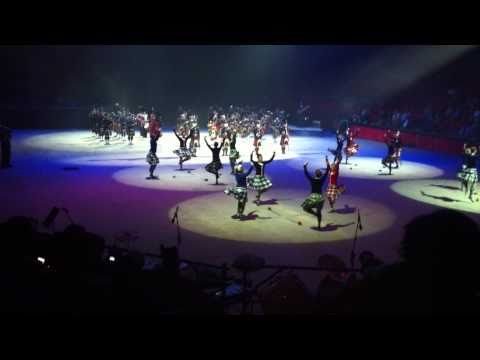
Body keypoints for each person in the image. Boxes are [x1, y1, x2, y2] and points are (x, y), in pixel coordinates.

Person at [302, 161, 328, 229]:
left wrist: (305, 166)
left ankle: (315, 214)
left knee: (305, 208)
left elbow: (306, 173)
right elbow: (327, 172)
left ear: (315, 174)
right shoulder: (322, 180)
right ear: (320, 175)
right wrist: (327, 162)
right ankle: (319, 225)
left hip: (313, 197)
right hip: (320, 198)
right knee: (319, 212)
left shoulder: (312, 179)